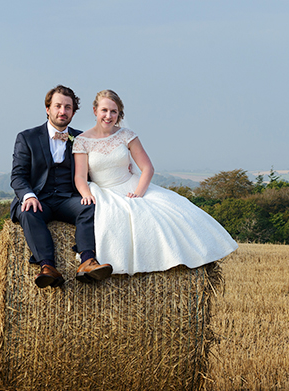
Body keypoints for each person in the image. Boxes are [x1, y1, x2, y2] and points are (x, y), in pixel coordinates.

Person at [72, 89, 238, 275]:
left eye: (114, 111)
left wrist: (138, 193)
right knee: (115, 219)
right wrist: (86, 194)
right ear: (95, 110)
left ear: (119, 114)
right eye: (104, 110)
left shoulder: (127, 135)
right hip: (103, 190)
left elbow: (147, 168)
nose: (108, 116)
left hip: (130, 185)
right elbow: (80, 176)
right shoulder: (82, 141)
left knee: (171, 216)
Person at [10, 85, 114, 288]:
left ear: (73, 112)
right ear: (47, 109)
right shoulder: (27, 138)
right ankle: (47, 267)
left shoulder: (82, 138)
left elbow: (95, 170)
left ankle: (87, 261)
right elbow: (18, 176)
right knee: (27, 212)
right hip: (39, 198)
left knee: (89, 207)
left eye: (68, 107)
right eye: (58, 106)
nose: (62, 111)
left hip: (68, 199)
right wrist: (29, 195)